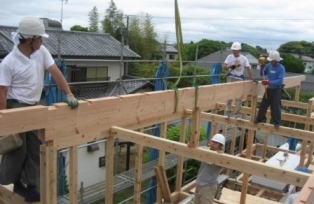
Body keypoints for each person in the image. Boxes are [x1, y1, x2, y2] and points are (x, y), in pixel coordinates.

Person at [0, 16, 79, 202]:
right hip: (16, 106)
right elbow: (2, 92)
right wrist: (3, 122)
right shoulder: (9, 62)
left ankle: (30, 185)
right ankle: (14, 182)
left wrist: (69, 94)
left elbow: (55, 72)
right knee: (17, 148)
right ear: (29, 40)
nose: (42, 41)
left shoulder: (41, 51)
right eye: (39, 38)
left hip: (34, 107)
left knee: (35, 147)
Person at [254, 50, 285, 128]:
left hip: (277, 89)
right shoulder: (268, 66)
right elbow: (262, 73)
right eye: (271, 61)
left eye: (272, 61)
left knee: (275, 106)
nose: (271, 62)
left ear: (276, 60)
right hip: (269, 89)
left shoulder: (281, 68)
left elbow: (280, 80)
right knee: (263, 104)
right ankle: (258, 119)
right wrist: (261, 68)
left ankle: (277, 122)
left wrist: (269, 82)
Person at [223, 42, 253, 120]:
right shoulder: (229, 57)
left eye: (236, 50)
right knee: (229, 96)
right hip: (230, 77)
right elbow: (224, 66)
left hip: (239, 78)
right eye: (233, 50)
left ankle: (238, 115)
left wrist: (252, 78)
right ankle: (227, 113)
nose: (234, 51)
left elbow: (248, 68)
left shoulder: (244, 58)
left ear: (239, 50)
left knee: (238, 97)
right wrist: (230, 66)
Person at [194, 134, 225, 204]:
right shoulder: (206, 150)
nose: (212, 143)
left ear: (220, 146)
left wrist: (218, 154)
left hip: (208, 186)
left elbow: (212, 161)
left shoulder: (221, 157)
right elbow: (195, 149)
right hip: (199, 183)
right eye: (212, 141)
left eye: (215, 143)